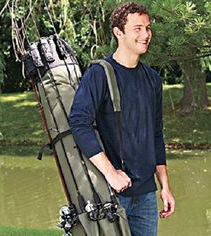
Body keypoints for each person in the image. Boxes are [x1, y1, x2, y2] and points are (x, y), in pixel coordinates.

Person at [69, 2, 175, 236]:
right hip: (111, 193)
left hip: (146, 195)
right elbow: (78, 121)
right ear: (119, 32)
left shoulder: (152, 80)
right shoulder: (99, 74)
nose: (145, 34)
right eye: (137, 28)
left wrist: (164, 187)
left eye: (147, 28)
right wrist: (111, 173)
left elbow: (156, 134)